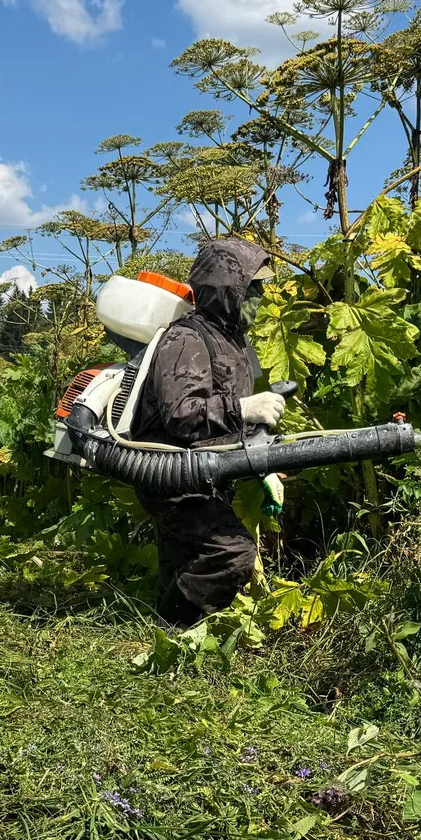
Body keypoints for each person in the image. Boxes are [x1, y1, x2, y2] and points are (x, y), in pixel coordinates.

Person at [129, 238, 286, 627]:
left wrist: (263, 465)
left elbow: (235, 424)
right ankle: (170, 632)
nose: (261, 298)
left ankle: (168, 642)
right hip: (170, 475)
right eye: (254, 289)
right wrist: (244, 407)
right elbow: (182, 415)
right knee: (233, 553)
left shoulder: (235, 342)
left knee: (183, 557)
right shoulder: (187, 339)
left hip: (206, 473)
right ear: (227, 290)